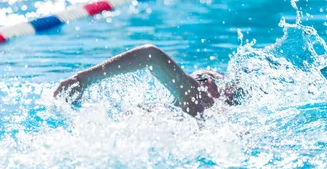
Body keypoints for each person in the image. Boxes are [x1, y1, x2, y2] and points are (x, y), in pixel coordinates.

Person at [54, 44, 241, 117]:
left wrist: (82, 79)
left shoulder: (195, 98)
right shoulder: (165, 109)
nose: (196, 79)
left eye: (205, 78)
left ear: (221, 94)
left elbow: (150, 55)